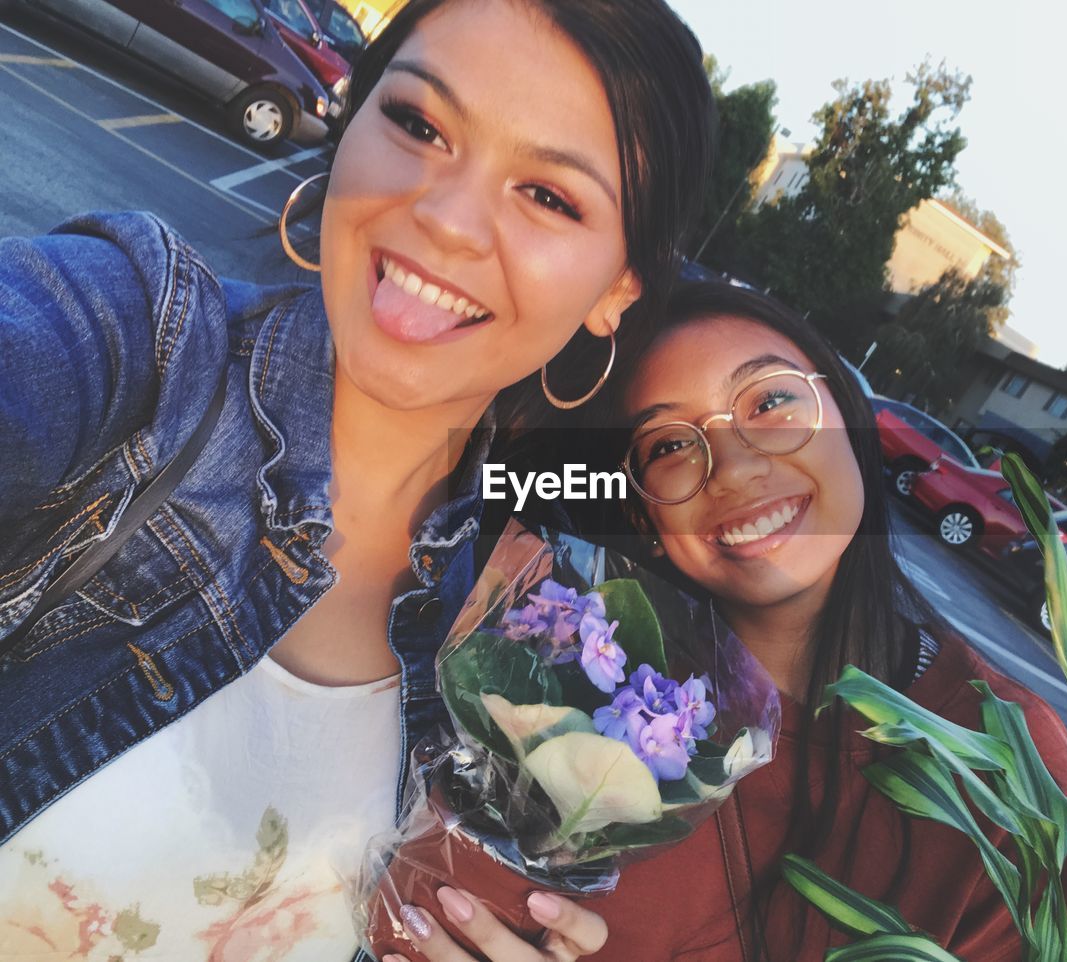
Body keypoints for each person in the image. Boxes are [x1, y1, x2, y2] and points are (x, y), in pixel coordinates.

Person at [0, 2, 713, 959]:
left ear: (619, 286)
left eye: (549, 196)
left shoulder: (526, 633)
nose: (447, 219)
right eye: (419, 124)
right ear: (349, 120)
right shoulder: (139, 342)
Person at [391, 283, 1067, 962]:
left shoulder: (1010, 760)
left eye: (771, 401)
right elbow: (420, 900)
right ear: (643, 513)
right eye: (668, 445)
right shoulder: (564, 678)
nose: (731, 467)